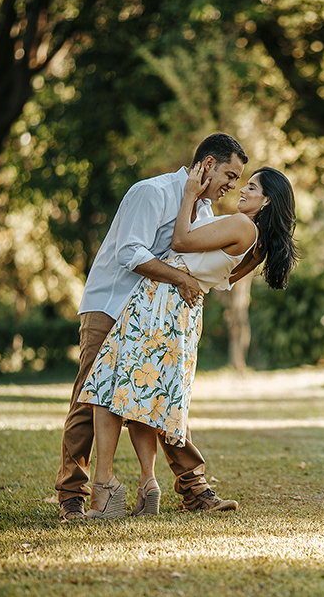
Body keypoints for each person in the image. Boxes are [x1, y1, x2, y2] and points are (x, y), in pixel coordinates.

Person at [78, 164, 298, 518]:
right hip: (183, 311)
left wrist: (188, 195)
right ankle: (147, 484)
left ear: (268, 200)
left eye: (252, 188)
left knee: (106, 385)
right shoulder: (258, 245)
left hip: (160, 299)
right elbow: (221, 279)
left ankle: (105, 488)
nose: (242, 189)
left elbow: (180, 242)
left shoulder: (242, 226)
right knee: (143, 398)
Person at [55, 133, 248, 523]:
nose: (232, 185)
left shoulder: (205, 213)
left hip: (151, 318)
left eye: (239, 178)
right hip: (111, 304)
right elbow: (130, 252)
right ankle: (72, 495)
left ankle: (190, 488)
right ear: (207, 165)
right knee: (90, 400)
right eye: (230, 173)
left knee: (159, 397)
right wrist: (179, 280)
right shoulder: (152, 192)